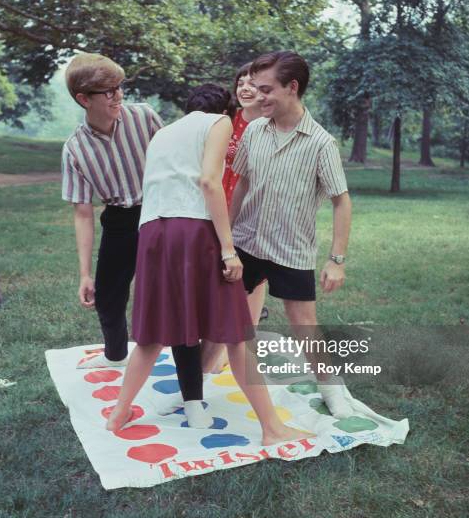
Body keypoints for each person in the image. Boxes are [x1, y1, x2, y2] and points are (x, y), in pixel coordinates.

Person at [106, 84, 315, 444]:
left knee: (152, 334)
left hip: (153, 234)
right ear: (224, 109)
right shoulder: (219, 123)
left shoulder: (164, 133)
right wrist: (228, 248)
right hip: (194, 231)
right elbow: (208, 181)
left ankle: (119, 413)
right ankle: (272, 428)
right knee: (237, 334)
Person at [61, 53, 207, 418]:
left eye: (120, 88)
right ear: (84, 98)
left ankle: (192, 396)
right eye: (108, 92)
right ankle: (114, 356)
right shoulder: (75, 149)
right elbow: (82, 211)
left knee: (175, 304)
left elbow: (179, 163)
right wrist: (84, 272)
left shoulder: (144, 117)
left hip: (161, 213)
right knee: (108, 301)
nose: (118, 97)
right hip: (119, 221)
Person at [217, 50, 356, 418]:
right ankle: (198, 379)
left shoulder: (320, 143)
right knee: (222, 312)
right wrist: (226, 239)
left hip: (291, 251)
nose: (256, 96)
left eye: (266, 89)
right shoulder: (254, 132)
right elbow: (242, 184)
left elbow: (342, 202)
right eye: (254, 88)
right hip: (246, 243)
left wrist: (336, 260)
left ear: (292, 88)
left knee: (304, 325)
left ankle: (332, 389)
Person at [202, 63, 267, 373]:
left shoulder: (270, 125)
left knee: (253, 277)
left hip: (255, 205)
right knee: (225, 270)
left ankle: (243, 341)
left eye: (252, 83)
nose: (245, 88)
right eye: (240, 82)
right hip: (224, 201)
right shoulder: (229, 121)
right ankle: (221, 340)